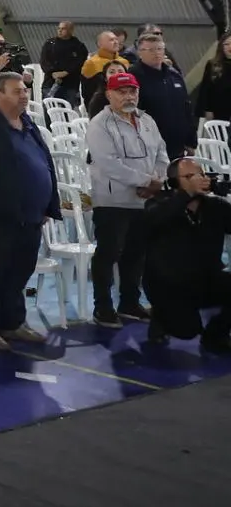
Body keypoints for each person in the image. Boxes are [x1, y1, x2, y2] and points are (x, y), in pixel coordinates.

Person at [0, 72, 61, 351]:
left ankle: (13, 322)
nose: (23, 95)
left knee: (21, 270)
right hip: (1, 213)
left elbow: (45, 162)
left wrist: (49, 203)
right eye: (16, 91)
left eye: (24, 90)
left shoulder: (28, 123)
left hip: (32, 213)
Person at [86, 70, 166, 327]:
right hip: (112, 201)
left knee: (136, 254)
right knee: (108, 254)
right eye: (122, 92)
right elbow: (109, 164)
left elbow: (162, 155)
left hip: (144, 200)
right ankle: (102, 307)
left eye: (132, 91)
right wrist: (145, 182)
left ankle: (130, 303)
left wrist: (156, 182)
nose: (128, 96)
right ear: (109, 94)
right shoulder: (100, 124)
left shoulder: (147, 121)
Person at [140, 158, 231, 350]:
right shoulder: (158, 205)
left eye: (201, 174)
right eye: (190, 176)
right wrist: (186, 194)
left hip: (206, 279)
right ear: (174, 182)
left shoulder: (216, 207)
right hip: (169, 285)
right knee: (187, 330)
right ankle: (160, 317)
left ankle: (215, 335)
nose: (199, 179)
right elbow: (152, 221)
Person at [129, 34, 192, 156]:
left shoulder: (174, 75)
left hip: (177, 143)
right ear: (140, 52)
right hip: (148, 145)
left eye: (159, 49)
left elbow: (186, 108)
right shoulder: (133, 77)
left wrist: (190, 140)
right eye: (151, 50)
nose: (156, 53)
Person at [196, 31, 231, 124]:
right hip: (218, 111)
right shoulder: (212, 65)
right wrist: (207, 110)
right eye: (226, 44)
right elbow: (205, 89)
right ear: (221, 47)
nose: (229, 47)